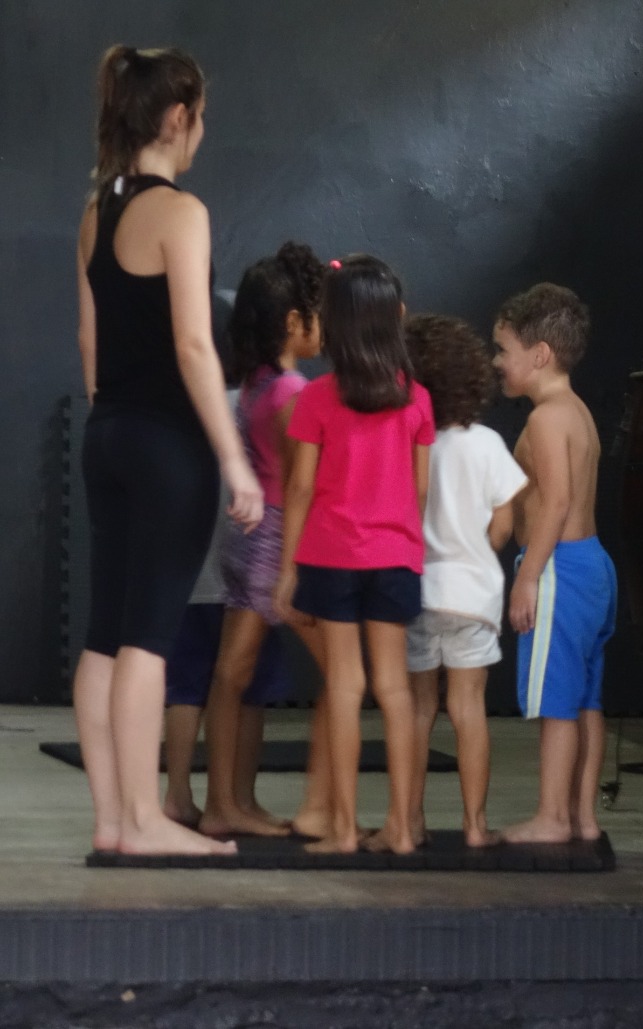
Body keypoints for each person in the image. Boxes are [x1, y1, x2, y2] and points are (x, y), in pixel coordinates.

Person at [73, 45, 261, 857]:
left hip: (108, 435)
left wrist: (116, 419)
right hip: (166, 447)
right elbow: (193, 344)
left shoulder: (96, 212)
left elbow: (90, 342)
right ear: (177, 117)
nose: (202, 134)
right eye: (202, 118)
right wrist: (233, 458)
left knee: (104, 637)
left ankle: (113, 820)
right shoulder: (182, 213)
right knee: (148, 637)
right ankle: (147, 821)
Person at [274, 254, 435, 855]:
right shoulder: (417, 399)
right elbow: (420, 489)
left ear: (334, 324)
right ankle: (401, 830)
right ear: (395, 318)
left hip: (331, 554)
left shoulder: (316, 399)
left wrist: (288, 570)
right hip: (396, 557)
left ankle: (342, 830)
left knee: (345, 686)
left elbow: (299, 489)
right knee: (395, 689)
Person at [198, 242, 333, 838]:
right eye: (317, 315)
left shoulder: (260, 382)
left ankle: (233, 803)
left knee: (235, 673)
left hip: (252, 540)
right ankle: (249, 808)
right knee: (339, 674)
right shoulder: (291, 392)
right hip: (277, 542)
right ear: (294, 322)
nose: (324, 327)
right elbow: (304, 483)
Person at [491, 283, 617, 845]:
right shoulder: (578, 412)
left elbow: (558, 502)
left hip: (560, 568)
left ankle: (552, 817)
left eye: (503, 349)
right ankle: (583, 817)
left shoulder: (545, 419)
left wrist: (527, 577)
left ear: (539, 354)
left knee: (556, 702)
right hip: (593, 567)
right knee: (586, 698)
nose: (496, 361)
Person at [403, 314, 528, 848]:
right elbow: (503, 526)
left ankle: (409, 821)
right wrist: (476, 550)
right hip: (473, 597)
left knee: (417, 709)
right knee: (468, 708)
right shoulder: (487, 444)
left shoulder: (410, 444)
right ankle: (475, 826)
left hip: (417, 593)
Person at [162, 492, 293, 829]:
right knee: (249, 689)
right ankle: (242, 799)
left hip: (189, 581)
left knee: (185, 692)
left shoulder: (189, 464)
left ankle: (178, 796)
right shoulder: (250, 468)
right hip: (244, 582)